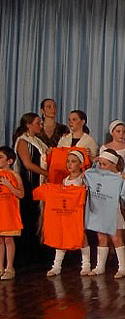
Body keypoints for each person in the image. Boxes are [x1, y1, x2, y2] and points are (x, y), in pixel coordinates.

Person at [35, 150, 90, 277]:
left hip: (78, 212)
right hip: (66, 213)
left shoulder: (84, 178)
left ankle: (86, 264)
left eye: (74, 161)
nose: (70, 164)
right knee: (62, 236)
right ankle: (56, 265)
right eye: (68, 161)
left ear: (81, 164)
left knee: (81, 235)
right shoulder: (65, 180)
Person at [84, 149, 125, 278]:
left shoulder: (118, 177)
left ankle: (123, 268)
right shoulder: (93, 174)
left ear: (113, 164)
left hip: (113, 212)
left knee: (116, 239)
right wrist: (92, 164)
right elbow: (84, 177)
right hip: (99, 211)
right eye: (100, 164)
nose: (101, 167)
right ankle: (100, 266)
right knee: (101, 238)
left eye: (104, 164)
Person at [13, 113, 49, 265]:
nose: (40, 125)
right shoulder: (23, 141)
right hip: (29, 184)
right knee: (28, 216)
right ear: (28, 125)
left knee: (37, 218)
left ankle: (36, 252)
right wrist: (47, 173)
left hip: (39, 184)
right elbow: (27, 164)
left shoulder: (38, 142)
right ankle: (25, 255)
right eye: (37, 123)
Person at [0, 146, 25, 280]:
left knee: (8, 239)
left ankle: (10, 267)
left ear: (9, 161)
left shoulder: (14, 175)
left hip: (9, 211)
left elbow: (21, 194)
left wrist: (8, 185)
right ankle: (0, 267)